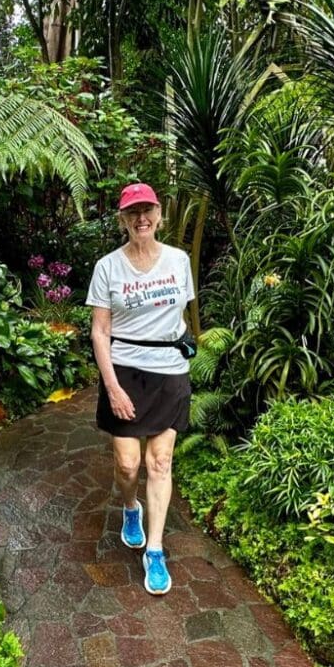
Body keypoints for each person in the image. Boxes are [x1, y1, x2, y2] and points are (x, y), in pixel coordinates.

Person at [86, 182, 195, 595]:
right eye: (133, 213)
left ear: (159, 214)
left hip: (168, 370)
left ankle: (155, 549)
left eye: (147, 210)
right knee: (129, 465)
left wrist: (182, 357)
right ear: (123, 220)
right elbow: (100, 332)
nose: (141, 218)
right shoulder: (108, 267)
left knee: (160, 461)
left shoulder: (178, 261)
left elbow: (180, 318)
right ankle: (130, 506)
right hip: (125, 371)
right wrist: (111, 386)